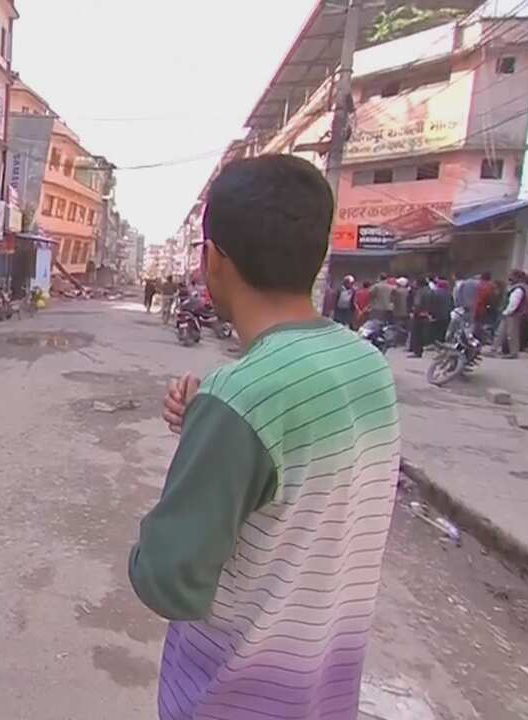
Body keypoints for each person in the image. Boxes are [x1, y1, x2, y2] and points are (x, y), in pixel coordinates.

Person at [132, 154, 399, 720]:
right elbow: (297, 479)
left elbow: (168, 580)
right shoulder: (364, 363)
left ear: (214, 259)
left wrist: (217, 428)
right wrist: (210, 426)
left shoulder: (241, 398)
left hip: (233, 697)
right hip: (324, 691)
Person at [493, 270, 528, 358]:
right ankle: (494, 349)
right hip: (509, 313)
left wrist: (507, 312)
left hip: (512, 314)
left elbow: (514, 303)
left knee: (512, 334)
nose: (510, 278)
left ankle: (514, 353)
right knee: (501, 332)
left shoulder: (518, 289)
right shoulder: (515, 287)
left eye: (512, 276)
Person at [409, 275, 433, 357]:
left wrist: (414, 311)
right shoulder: (430, 290)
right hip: (427, 314)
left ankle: (417, 352)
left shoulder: (420, 292)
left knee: (417, 334)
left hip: (419, 315)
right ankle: (421, 349)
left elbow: (417, 304)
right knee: (423, 334)